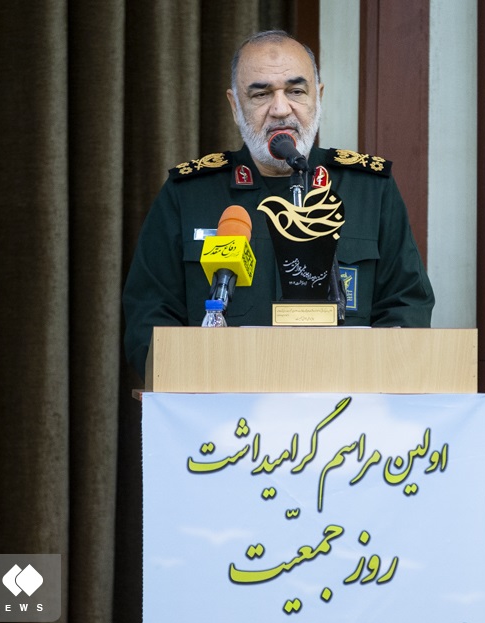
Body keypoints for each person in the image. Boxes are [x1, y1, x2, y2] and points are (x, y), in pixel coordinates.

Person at [122, 29, 435, 377]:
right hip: (224, 401)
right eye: (261, 94)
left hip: (343, 400)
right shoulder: (188, 194)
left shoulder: (370, 190)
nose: (281, 109)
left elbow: (407, 306)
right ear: (235, 105)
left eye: (296, 91)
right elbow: (148, 317)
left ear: (318, 97)